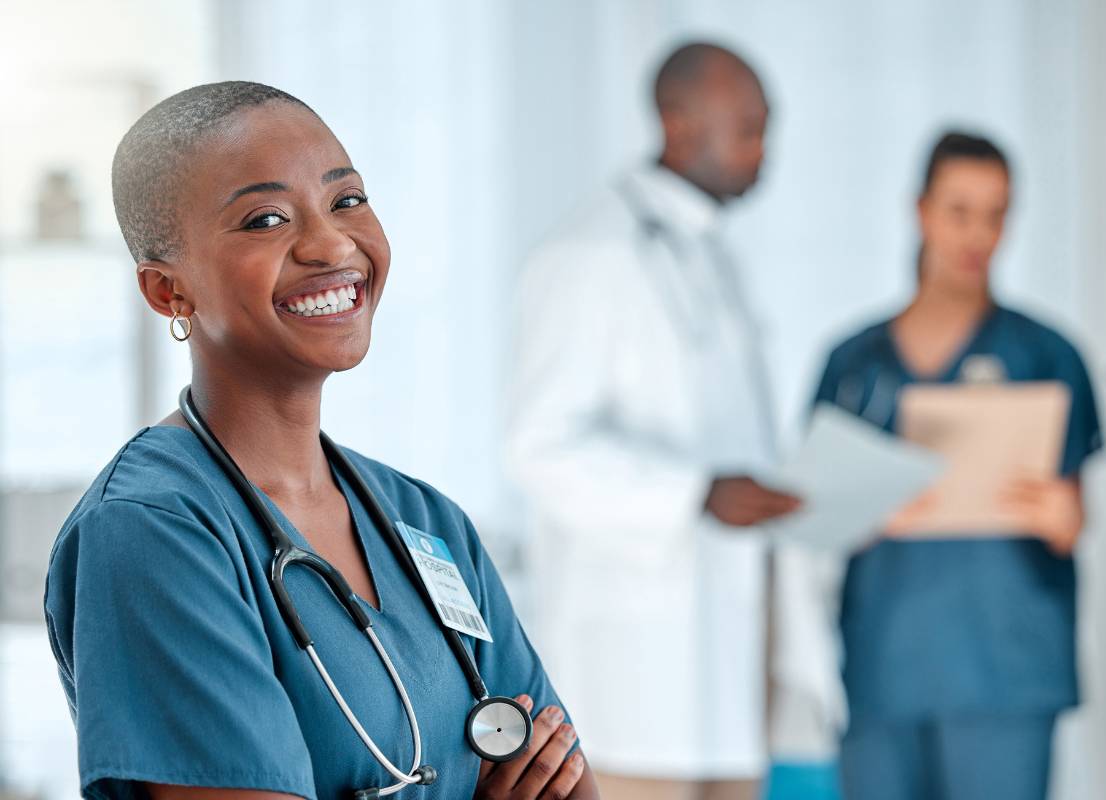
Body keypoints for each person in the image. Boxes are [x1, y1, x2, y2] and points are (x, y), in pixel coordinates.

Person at [43, 81, 599, 800]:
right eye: (265, 219)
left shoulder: (425, 522)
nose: (332, 243)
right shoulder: (153, 532)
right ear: (166, 291)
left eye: (346, 201)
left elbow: (567, 781)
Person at [505, 42, 801, 800]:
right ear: (676, 121)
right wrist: (696, 494)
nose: (763, 152)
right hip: (632, 675)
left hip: (728, 667)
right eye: (747, 128)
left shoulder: (711, 253)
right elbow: (540, 448)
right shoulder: (587, 252)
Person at [812, 131, 1102, 800]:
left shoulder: (1048, 355)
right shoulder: (854, 365)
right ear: (921, 211)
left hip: (1006, 669)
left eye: (997, 214)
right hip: (887, 667)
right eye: (960, 211)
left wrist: (1066, 518)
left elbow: (1074, 510)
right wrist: (866, 511)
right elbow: (813, 518)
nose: (979, 234)